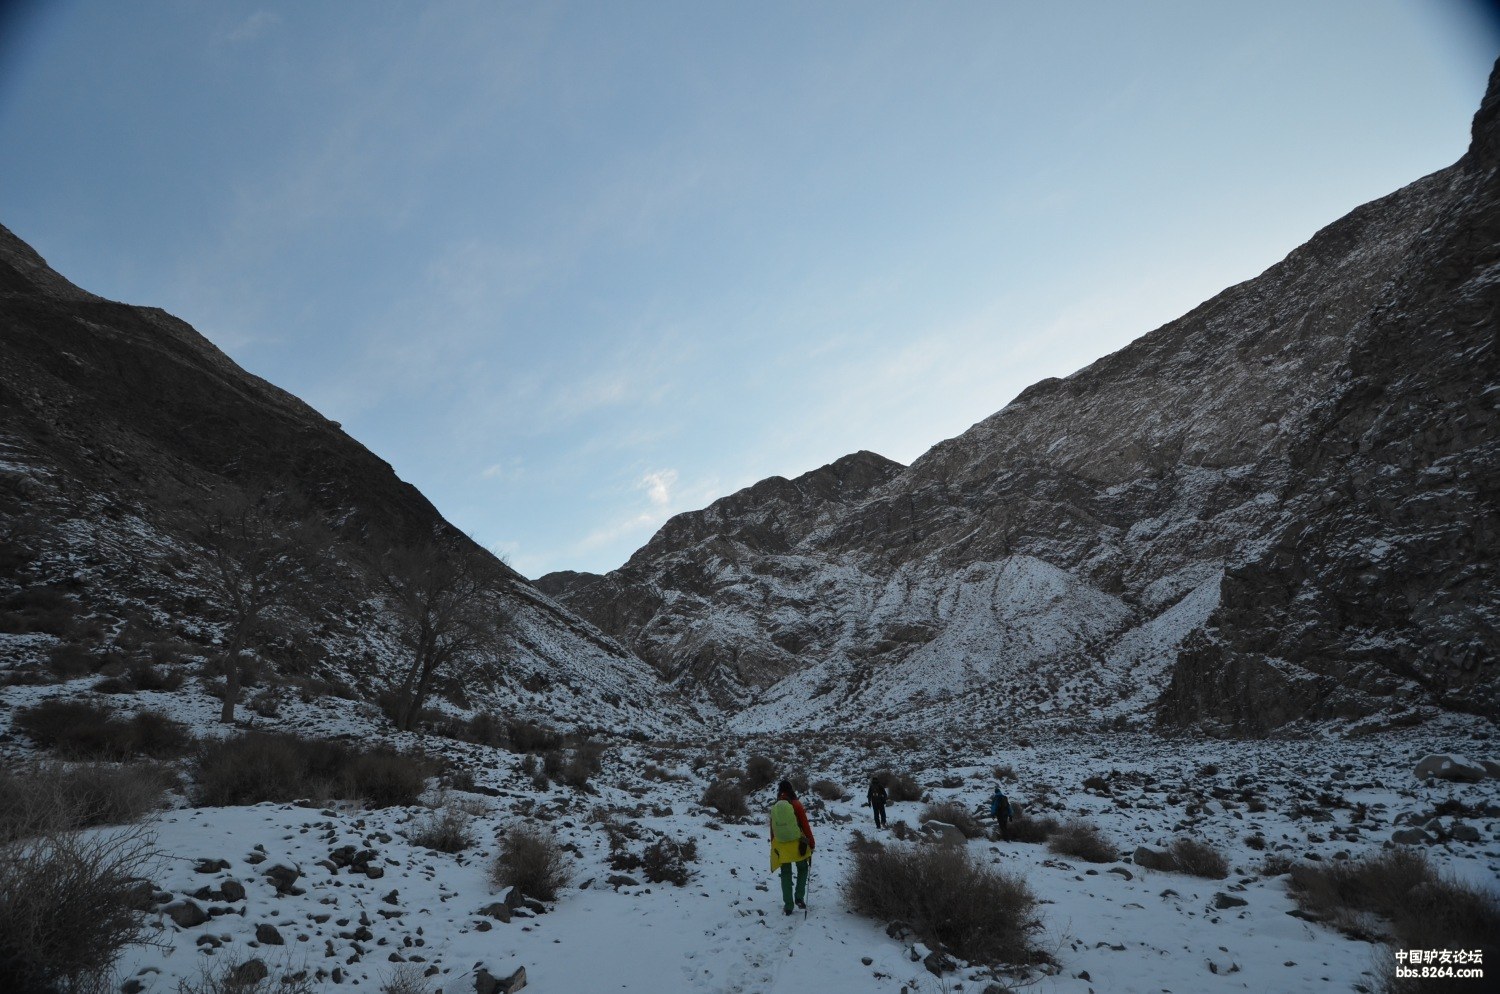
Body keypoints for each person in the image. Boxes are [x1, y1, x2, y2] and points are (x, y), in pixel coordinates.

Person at [769, 780, 815, 915]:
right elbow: (805, 825)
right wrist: (811, 842)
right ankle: (799, 897)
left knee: (785, 873)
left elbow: (772, 828)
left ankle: (788, 905)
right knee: (802, 867)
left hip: (781, 845)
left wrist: (773, 845)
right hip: (797, 843)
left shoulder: (775, 806)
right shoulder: (796, 804)